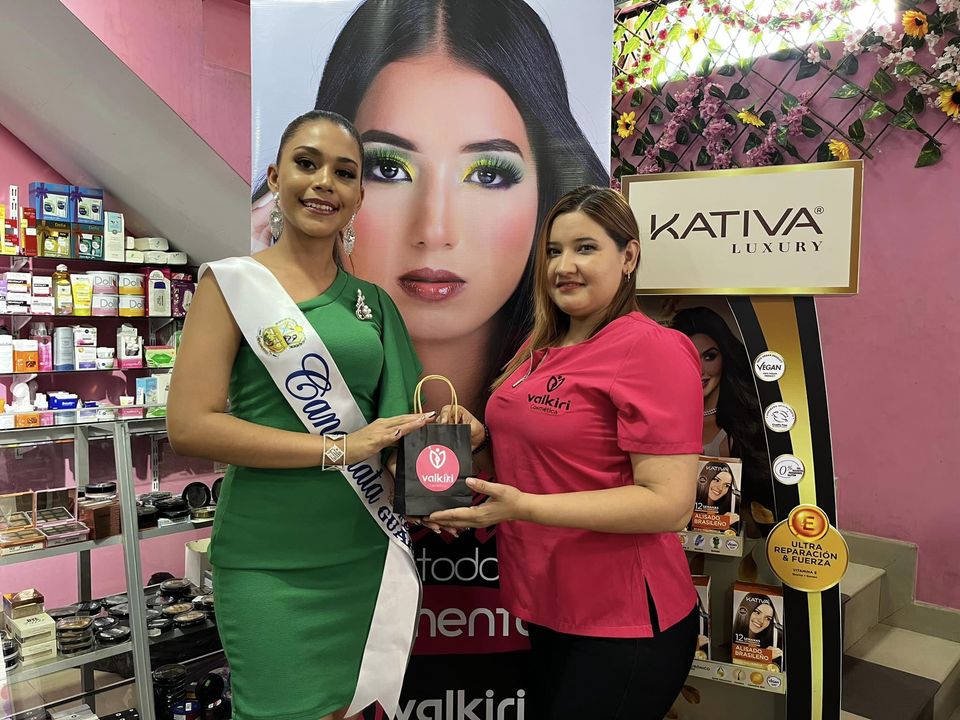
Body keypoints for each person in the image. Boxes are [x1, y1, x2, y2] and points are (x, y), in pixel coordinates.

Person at [167, 110, 431, 720]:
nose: (324, 183)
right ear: (274, 177)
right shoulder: (231, 286)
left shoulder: (374, 305)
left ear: (359, 195)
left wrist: (444, 457)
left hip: (362, 550)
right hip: (268, 560)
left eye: (344, 172)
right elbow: (191, 426)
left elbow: (401, 429)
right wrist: (336, 449)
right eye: (306, 164)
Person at [251, 0, 608, 416]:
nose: (434, 230)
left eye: (487, 174)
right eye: (388, 169)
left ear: (546, 190)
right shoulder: (247, 302)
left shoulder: (591, 380)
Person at [428, 186, 703, 720]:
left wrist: (524, 507)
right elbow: (542, 462)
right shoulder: (541, 347)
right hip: (548, 606)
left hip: (621, 620)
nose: (563, 266)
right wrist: (480, 443)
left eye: (585, 248)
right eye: (553, 251)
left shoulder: (652, 348)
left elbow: (668, 504)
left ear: (628, 256)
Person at [670, 306, 773, 527]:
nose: (699, 370)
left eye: (709, 356)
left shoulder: (748, 424)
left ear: (725, 356)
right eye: (688, 357)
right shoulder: (662, 419)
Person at [732, 592, 784, 670]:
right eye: (757, 612)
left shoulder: (776, 641)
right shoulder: (730, 640)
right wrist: (765, 657)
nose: (761, 621)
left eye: (768, 618)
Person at [692, 461, 740, 533]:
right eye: (717, 480)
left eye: (726, 485)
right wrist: (723, 522)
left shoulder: (733, 505)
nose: (720, 488)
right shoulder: (690, 501)